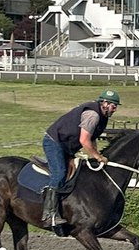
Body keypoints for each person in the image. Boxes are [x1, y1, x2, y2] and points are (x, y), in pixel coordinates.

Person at [41, 89, 121, 225]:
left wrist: (96, 154)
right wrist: (98, 156)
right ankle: (49, 214)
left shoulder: (102, 117)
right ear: (105, 103)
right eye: (114, 106)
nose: (115, 110)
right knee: (60, 174)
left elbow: (92, 138)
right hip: (55, 142)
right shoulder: (93, 115)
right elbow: (84, 140)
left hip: (67, 145)